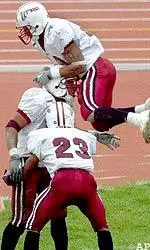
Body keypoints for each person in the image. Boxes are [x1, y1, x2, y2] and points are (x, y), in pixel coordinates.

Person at [15, 1, 150, 143]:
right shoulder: (41, 39)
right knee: (100, 123)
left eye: (27, 28)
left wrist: (51, 73)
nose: (25, 32)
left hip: (95, 69)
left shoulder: (55, 30)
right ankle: (143, 109)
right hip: (96, 71)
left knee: (89, 112)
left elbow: (80, 66)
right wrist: (67, 78)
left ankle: (140, 121)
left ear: (36, 23)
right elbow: (69, 65)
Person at [22, 101, 120, 250]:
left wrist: (14, 175)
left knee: (33, 226)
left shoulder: (40, 134)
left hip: (62, 181)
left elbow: (31, 162)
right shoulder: (84, 135)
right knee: (102, 227)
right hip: (87, 182)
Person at [1, 85, 70, 250]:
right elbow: (11, 127)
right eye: (67, 79)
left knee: (58, 215)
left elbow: (67, 133)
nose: (73, 84)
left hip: (51, 162)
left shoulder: (65, 102)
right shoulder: (38, 97)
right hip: (29, 161)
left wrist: (94, 135)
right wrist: (14, 155)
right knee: (21, 220)